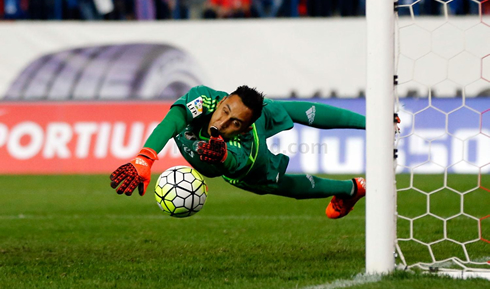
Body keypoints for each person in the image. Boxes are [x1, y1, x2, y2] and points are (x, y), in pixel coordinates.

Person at [110, 85, 366, 219]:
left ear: (245, 127)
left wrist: (222, 156)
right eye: (225, 111)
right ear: (221, 101)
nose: (222, 123)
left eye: (235, 123)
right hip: (246, 125)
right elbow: (174, 117)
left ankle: (349, 189)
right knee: (294, 109)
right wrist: (145, 157)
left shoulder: (248, 153)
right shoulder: (204, 98)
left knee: (277, 185)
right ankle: (356, 181)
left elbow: (232, 163)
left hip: (251, 163)